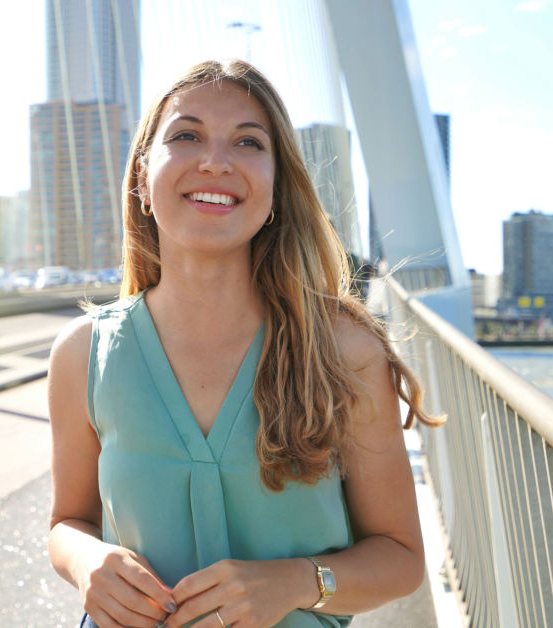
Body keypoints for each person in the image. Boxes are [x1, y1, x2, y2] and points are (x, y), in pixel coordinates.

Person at [47, 59, 443, 628]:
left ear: (277, 186)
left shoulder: (342, 348)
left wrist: (294, 583)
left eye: (248, 143)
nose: (215, 161)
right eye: (186, 136)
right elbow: (68, 523)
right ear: (141, 177)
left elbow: (401, 559)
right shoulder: (82, 353)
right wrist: (89, 562)